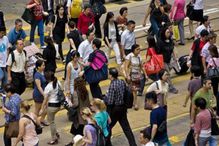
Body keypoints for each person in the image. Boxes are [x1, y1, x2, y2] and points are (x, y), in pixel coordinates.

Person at [104, 67, 137, 146]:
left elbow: (110, 101)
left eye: (109, 74)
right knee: (126, 128)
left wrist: (105, 97)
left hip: (114, 110)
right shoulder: (121, 82)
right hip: (123, 108)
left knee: (108, 127)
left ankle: (107, 143)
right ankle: (133, 144)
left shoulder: (112, 86)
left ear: (111, 76)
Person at [190, 78, 218, 146]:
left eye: (211, 83)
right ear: (203, 85)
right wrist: (192, 121)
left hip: (208, 113)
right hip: (201, 116)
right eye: (209, 84)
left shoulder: (210, 90)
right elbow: (193, 109)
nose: (211, 85)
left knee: (213, 132)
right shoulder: (198, 94)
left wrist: (214, 113)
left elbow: (212, 99)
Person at [65, 77, 90, 146]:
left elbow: (76, 104)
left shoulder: (76, 92)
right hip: (86, 113)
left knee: (76, 132)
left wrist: (69, 103)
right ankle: (73, 142)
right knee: (82, 131)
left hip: (79, 116)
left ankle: (74, 143)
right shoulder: (86, 91)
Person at [40, 71, 61, 145]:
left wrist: (42, 109)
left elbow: (45, 100)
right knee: (53, 121)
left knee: (51, 122)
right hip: (58, 105)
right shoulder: (58, 82)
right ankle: (56, 132)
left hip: (51, 106)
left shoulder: (48, 87)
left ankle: (54, 139)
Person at [157, 26, 178, 94]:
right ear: (163, 33)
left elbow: (173, 48)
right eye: (167, 32)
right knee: (167, 74)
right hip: (163, 60)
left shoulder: (170, 40)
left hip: (169, 59)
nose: (169, 33)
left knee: (170, 69)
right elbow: (158, 52)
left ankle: (163, 81)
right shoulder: (160, 42)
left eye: (169, 32)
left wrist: (175, 57)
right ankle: (171, 87)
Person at [125, 44, 146, 110]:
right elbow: (126, 66)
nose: (139, 51)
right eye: (137, 49)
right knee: (134, 90)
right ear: (133, 50)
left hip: (137, 75)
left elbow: (141, 66)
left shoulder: (139, 57)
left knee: (134, 90)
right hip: (131, 75)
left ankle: (132, 102)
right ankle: (135, 103)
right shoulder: (129, 56)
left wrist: (146, 74)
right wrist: (127, 75)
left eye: (139, 49)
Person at [33, 59, 48, 125]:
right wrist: (44, 94)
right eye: (43, 65)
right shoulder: (37, 75)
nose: (44, 66)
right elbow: (39, 87)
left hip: (44, 94)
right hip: (39, 95)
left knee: (46, 108)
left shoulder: (43, 73)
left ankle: (42, 119)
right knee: (37, 110)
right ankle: (35, 122)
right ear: (38, 67)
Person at [207, 45, 219, 114]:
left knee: (215, 91)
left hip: (214, 77)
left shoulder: (212, 59)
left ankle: (216, 105)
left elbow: (208, 67)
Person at [0, 25, 9, 91]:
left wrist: (7, 57)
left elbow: (7, 48)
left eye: (4, 33)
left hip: (4, 62)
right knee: (1, 75)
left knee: (5, 79)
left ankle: (2, 90)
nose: (3, 34)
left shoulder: (5, 38)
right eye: (1, 33)